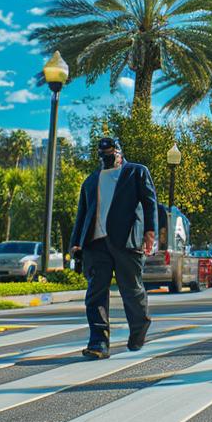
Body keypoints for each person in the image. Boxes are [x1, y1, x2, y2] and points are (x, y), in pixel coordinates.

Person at [70, 137, 157, 359]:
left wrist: (150, 232)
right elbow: (83, 214)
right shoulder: (90, 181)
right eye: (103, 154)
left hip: (126, 241)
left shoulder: (136, 172)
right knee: (95, 294)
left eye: (111, 153)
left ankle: (139, 328)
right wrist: (75, 243)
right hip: (95, 243)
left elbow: (150, 202)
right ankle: (98, 343)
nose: (107, 157)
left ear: (119, 152)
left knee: (131, 289)